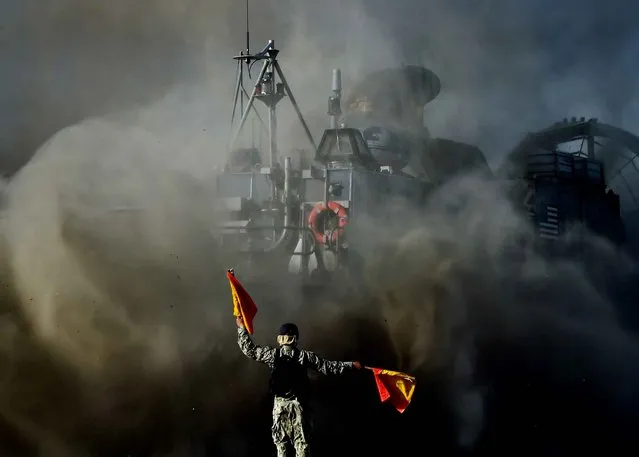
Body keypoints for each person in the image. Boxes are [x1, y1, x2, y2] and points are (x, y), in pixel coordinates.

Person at [236, 316, 362, 457]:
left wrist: (241, 328)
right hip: (299, 409)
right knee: (302, 448)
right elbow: (329, 367)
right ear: (295, 338)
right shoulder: (305, 357)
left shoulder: (272, 355)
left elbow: (250, 350)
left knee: (281, 449)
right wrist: (350, 365)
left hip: (280, 409)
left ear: (280, 338)